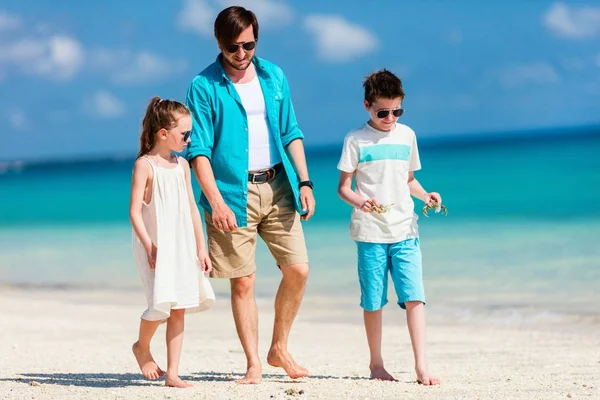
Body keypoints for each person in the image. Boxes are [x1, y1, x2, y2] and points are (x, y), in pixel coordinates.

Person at [184, 6, 315, 385]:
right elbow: (199, 151)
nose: (241, 54)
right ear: (218, 43)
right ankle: (254, 364)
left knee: (299, 270)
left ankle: (280, 348)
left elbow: (291, 131)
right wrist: (216, 200)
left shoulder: (274, 75)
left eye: (249, 45)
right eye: (232, 47)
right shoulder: (203, 86)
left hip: (279, 186)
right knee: (242, 281)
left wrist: (305, 183)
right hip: (230, 193)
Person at [337, 69, 441, 385]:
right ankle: (376, 365)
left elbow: (408, 180)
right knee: (373, 300)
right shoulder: (355, 139)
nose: (390, 117)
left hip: (406, 230)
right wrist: (361, 202)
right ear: (368, 105)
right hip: (370, 233)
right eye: (383, 112)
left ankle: (422, 367)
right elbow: (344, 187)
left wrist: (427, 195)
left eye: (397, 110)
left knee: (415, 297)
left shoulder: (407, 135)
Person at [130, 97, 215, 388]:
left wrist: (201, 248)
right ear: (162, 133)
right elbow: (134, 213)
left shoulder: (182, 165)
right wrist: (150, 246)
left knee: (179, 307)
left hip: (182, 246)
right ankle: (142, 346)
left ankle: (173, 373)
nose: (190, 139)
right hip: (155, 246)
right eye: (185, 134)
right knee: (159, 306)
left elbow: (192, 208)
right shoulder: (145, 165)